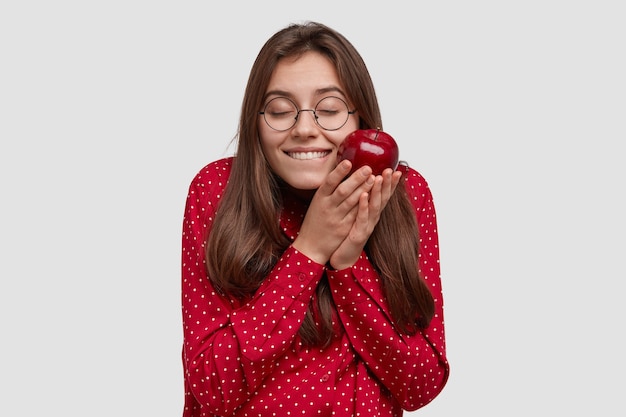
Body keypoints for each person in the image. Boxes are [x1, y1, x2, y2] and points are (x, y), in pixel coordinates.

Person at [180, 21, 449, 416]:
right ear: (255, 122)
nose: (305, 129)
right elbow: (211, 389)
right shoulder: (216, 192)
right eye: (280, 110)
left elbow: (420, 386)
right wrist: (310, 249)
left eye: (329, 110)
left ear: (361, 120)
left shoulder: (403, 195)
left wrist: (347, 261)